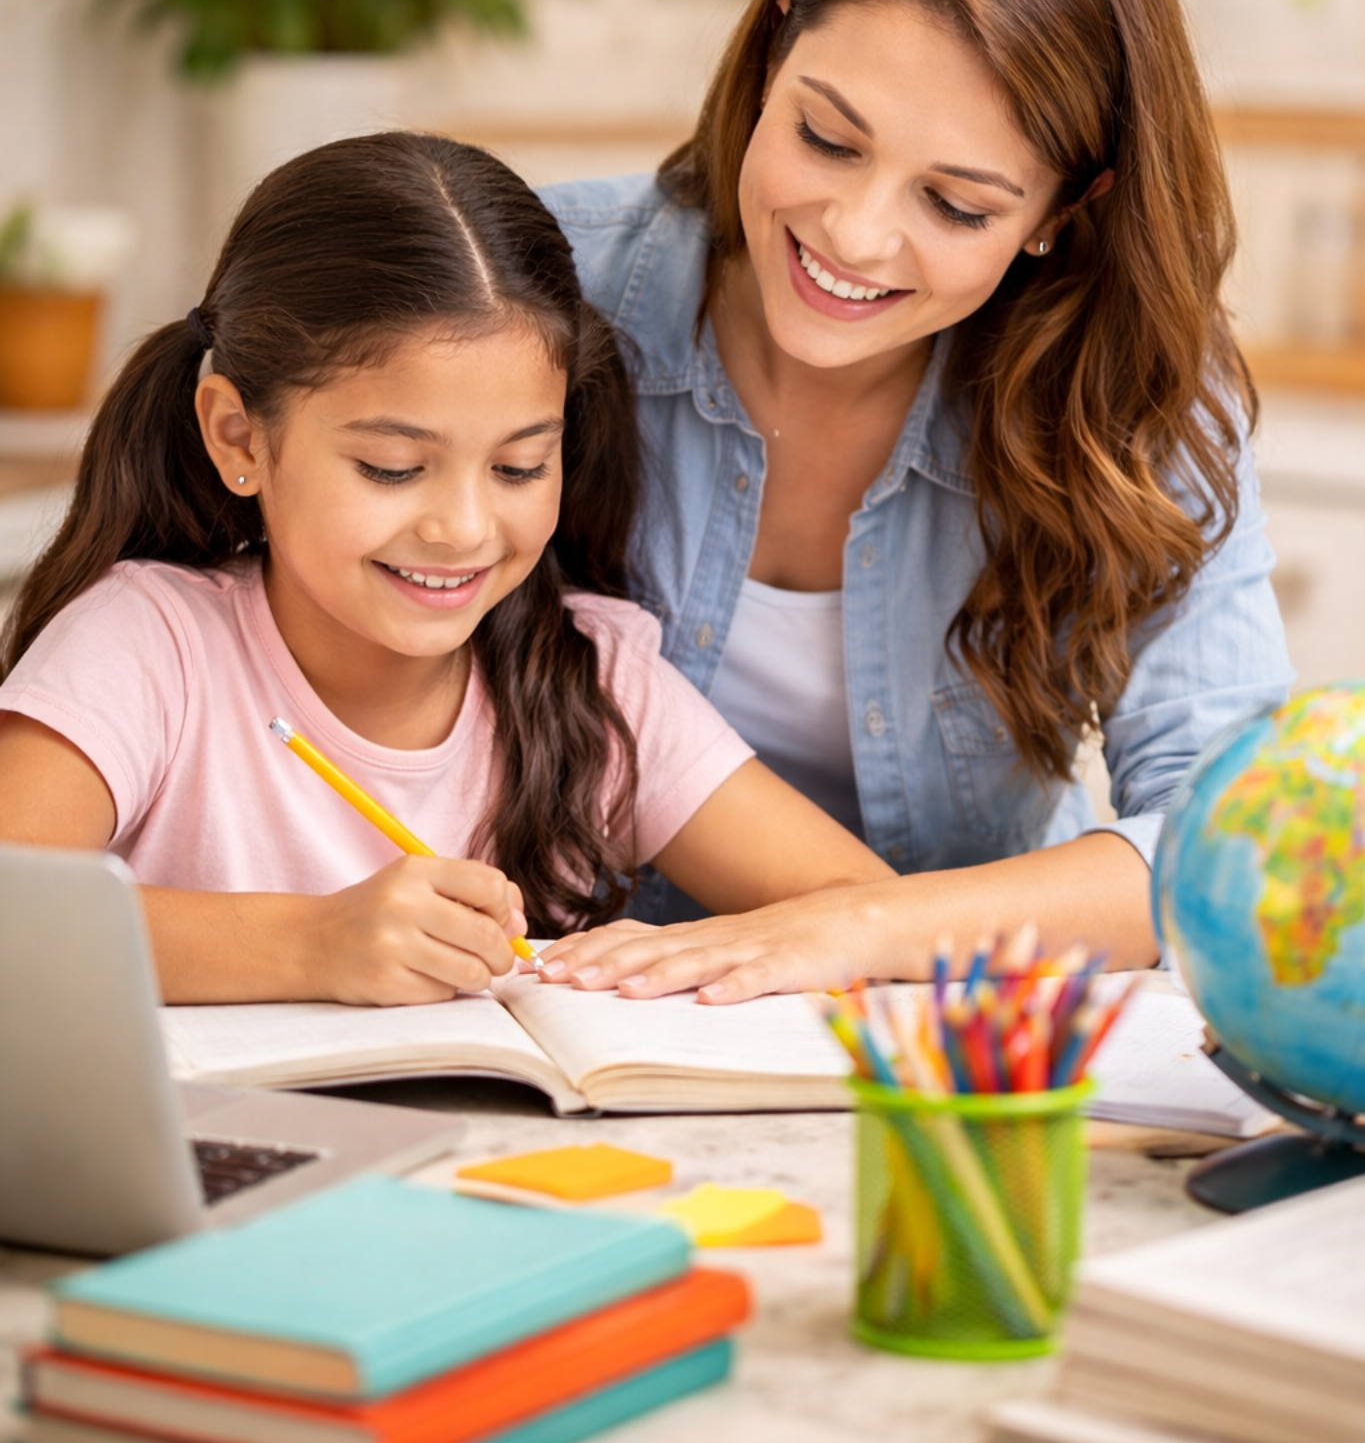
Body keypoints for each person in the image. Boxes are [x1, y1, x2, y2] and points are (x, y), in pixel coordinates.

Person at [535, 0, 1293, 1005]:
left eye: (956, 203)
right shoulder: (540, 287)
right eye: (826, 138)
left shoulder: (1136, 392)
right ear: (777, 39)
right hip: (581, 1006)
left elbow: (1226, 842)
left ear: (1061, 211)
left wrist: (857, 928)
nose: (854, 235)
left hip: (959, 1027)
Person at [0, 133, 889, 1005]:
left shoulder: (590, 682)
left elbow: (867, 913)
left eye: (518, 468)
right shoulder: (145, 646)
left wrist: (681, 954)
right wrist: (311, 945)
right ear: (238, 436)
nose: (462, 528)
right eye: (391, 467)